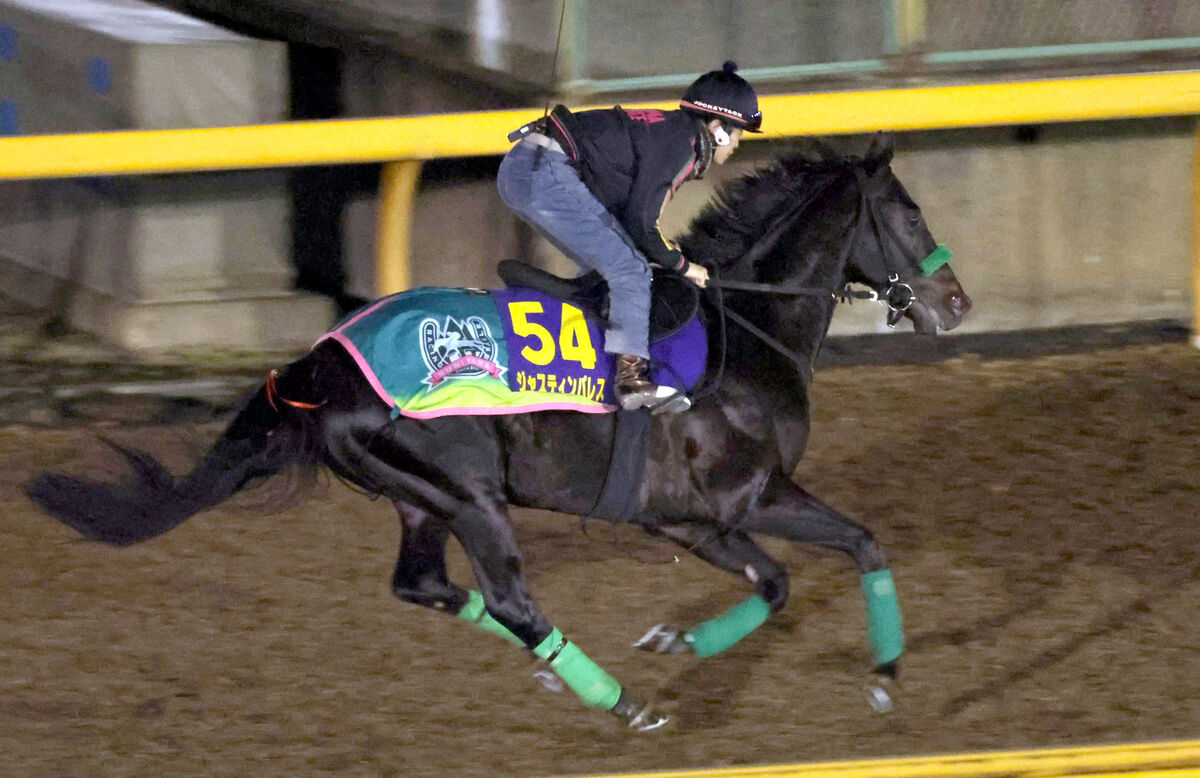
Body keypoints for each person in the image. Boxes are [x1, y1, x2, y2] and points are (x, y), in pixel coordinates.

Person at [497, 61, 761, 410]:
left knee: (621, 263)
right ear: (718, 128)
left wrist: (660, 256)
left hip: (532, 166)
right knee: (630, 270)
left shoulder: (674, 133)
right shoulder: (683, 147)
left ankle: (590, 357)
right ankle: (630, 380)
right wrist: (684, 266)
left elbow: (634, 222)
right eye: (739, 132)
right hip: (542, 170)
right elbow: (642, 223)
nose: (738, 144)